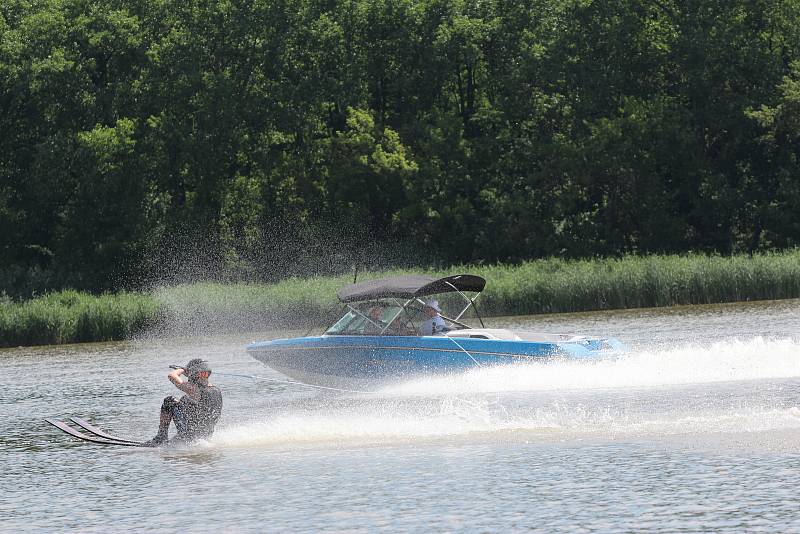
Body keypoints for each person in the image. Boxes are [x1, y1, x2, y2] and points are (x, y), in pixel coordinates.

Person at [144, 358, 223, 446]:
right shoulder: (216, 390)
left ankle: (161, 437)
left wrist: (181, 369)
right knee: (185, 401)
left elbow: (172, 376)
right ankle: (179, 437)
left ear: (194, 374)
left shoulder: (194, 389)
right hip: (205, 435)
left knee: (169, 401)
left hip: (189, 436)